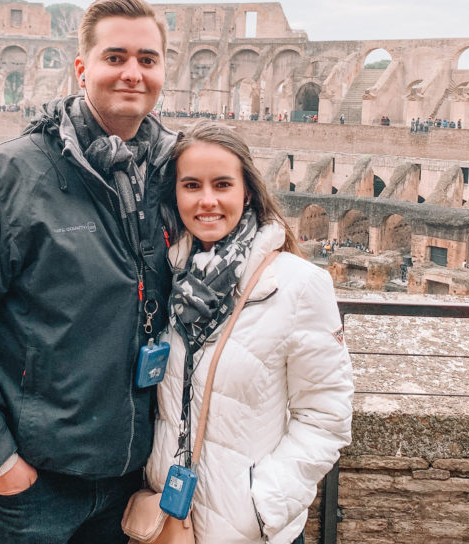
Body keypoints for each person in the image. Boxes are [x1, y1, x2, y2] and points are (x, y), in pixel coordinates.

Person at [0, 0, 177, 544]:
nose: (132, 73)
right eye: (115, 57)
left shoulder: (174, 177)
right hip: (34, 486)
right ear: (82, 69)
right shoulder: (5, 176)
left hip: (134, 478)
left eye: (148, 59)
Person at [146, 122, 354, 544]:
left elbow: (326, 418)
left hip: (249, 532)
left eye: (222, 184)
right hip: (169, 523)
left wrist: (262, 508)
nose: (207, 200)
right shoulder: (166, 277)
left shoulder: (299, 284)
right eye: (191, 185)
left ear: (248, 193)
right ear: (175, 195)